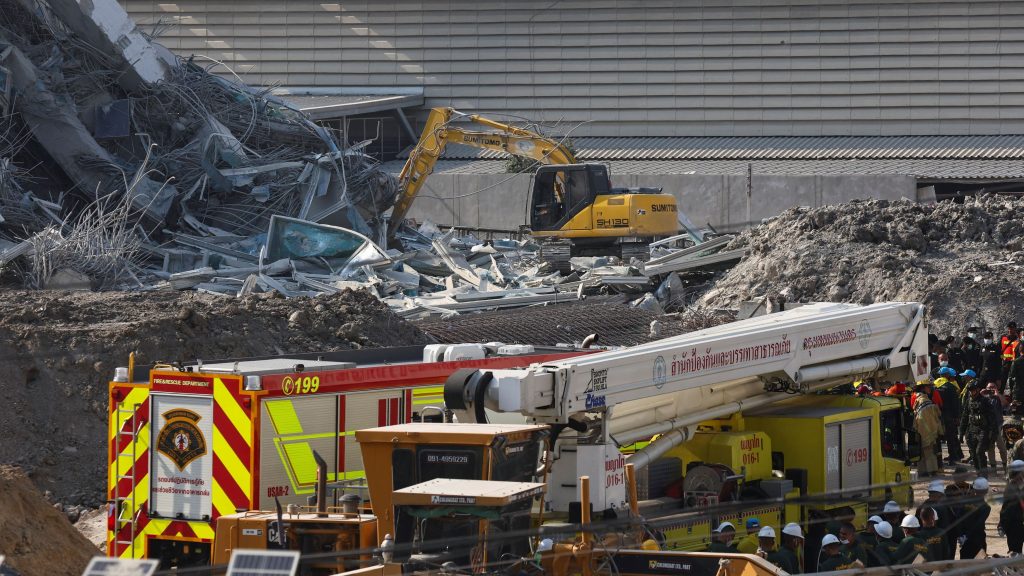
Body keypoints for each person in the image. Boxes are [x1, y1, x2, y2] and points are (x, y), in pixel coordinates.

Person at [961, 380, 997, 474]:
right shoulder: (968, 401)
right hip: (971, 429)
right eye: (970, 390)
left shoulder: (985, 401)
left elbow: (993, 418)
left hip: (983, 430)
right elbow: (964, 417)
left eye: (973, 390)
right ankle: (978, 473)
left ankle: (984, 474)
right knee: (973, 454)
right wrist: (961, 433)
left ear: (977, 390)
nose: (971, 392)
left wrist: (993, 434)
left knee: (979, 452)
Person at [914, 380, 944, 477]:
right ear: (923, 387)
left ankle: (923, 471)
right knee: (929, 451)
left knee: (922, 450)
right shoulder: (924, 400)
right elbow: (936, 414)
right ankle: (932, 470)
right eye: (928, 387)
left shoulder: (917, 398)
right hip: (928, 430)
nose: (930, 388)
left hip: (920, 429)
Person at [920, 479, 955, 559]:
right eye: (930, 494)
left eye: (932, 495)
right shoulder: (928, 505)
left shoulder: (942, 506)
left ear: (940, 495)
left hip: (945, 537)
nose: (930, 497)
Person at [960, 477, 992, 559]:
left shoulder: (965, 502)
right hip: (978, 539)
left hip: (965, 539)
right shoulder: (986, 507)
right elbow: (978, 524)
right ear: (986, 491)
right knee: (979, 567)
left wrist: (961, 535)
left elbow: (959, 518)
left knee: (965, 565)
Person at [936, 372, 964, 464]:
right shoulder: (951, 387)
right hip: (950, 415)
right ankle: (955, 456)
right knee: (951, 437)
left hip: (940, 414)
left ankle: (950, 458)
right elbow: (955, 403)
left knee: (941, 437)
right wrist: (957, 416)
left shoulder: (935, 386)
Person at [1000, 460, 1024, 555]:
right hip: (1015, 526)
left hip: (1016, 526)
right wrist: (1002, 525)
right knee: (1015, 553)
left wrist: (1002, 525)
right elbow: (1008, 510)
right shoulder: (1012, 489)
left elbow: (1006, 510)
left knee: (1015, 552)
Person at [986, 382, 1010, 473]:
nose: (991, 389)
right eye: (989, 387)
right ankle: (993, 468)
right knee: (990, 448)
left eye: (993, 387)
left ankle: (1005, 466)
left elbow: (1005, 403)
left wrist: (997, 393)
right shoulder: (984, 398)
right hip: (988, 427)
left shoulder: (998, 398)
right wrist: (981, 394)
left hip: (998, 426)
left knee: (1002, 448)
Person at [1001, 322, 1020, 393]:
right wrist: (1002, 357)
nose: (1010, 331)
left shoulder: (1018, 340)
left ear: (1015, 329)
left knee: (1013, 381)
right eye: (1009, 329)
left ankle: (1013, 397)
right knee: (1002, 380)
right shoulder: (1003, 338)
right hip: (1005, 363)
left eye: (1011, 329)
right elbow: (999, 351)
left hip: (1014, 363)